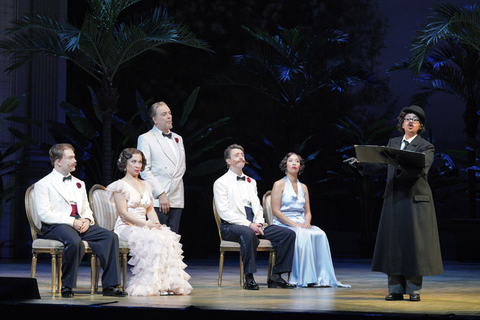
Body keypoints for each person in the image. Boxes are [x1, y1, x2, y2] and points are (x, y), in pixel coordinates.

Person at [346, 105, 443, 301]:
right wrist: (361, 164)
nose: (410, 122)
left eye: (414, 120)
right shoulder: (393, 142)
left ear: (420, 126)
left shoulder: (426, 146)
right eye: (407, 118)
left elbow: (420, 170)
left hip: (415, 202)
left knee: (414, 246)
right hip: (394, 199)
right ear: (401, 123)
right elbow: (384, 168)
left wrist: (397, 163)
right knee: (394, 245)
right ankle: (395, 289)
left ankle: (414, 290)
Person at [34, 143, 125, 298]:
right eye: (70, 157)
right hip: (57, 225)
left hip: (79, 223)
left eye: (74, 156)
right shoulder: (43, 184)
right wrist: (72, 222)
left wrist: (88, 220)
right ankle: (67, 286)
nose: (75, 160)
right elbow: (44, 214)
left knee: (110, 237)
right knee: (74, 241)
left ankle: (110, 286)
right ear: (58, 162)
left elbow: (86, 208)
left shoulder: (79, 183)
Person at [106, 148, 192, 296]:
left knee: (166, 237)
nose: (137, 165)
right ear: (125, 163)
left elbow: (150, 209)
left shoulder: (146, 184)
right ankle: (148, 284)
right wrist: (146, 225)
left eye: (139, 162)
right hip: (126, 226)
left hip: (144, 224)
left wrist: (156, 224)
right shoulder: (119, 186)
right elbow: (124, 214)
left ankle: (167, 284)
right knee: (151, 240)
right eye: (133, 161)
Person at [213, 144, 296, 290]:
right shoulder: (221, 182)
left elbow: (257, 207)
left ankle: (276, 276)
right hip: (231, 225)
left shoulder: (251, 182)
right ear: (228, 161)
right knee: (247, 232)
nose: (241, 157)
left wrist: (258, 222)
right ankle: (249, 277)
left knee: (287, 234)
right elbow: (224, 212)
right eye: (236, 155)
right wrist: (248, 224)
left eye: (242, 154)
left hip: (253, 223)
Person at [271, 152, 350, 288]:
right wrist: (295, 225)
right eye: (291, 161)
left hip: (301, 222)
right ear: (285, 165)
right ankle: (304, 278)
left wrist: (307, 222)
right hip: (284, 223)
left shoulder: (304, 187)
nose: (294, 163)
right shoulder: (279, 184)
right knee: (303, 235)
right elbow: (275, 211)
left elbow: (307, 211)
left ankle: (321, 277)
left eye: (297, 161)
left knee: (320, 234)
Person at [137, 101, 186, 233]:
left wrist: (172, 191)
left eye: (169, 113)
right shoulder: (146, 138)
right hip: (158, 198)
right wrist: (161, 193)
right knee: (158, 240)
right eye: (164, 114)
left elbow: (181, 167)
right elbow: (144, 169)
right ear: (154, 119)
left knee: (173, 239)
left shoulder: (178, 138)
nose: (169, 116)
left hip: (176, 196)